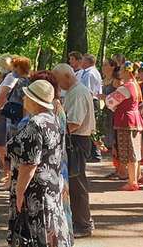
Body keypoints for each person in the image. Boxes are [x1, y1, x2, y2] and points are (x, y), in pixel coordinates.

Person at [6, 79, 72, 247]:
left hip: (35, 190)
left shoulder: (35, 124)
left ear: (34, 100)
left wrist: (19, 193)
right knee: (49, 231)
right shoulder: (54, 120)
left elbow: (29, 164)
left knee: (34, 234)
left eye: (26, 96)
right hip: (52, 185)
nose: (23, 99)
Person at [53, 63, 95, 238]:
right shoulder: (74, 91)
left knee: (77, 185)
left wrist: (55, 133)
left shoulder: (78, 93)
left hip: (76, 142)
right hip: (76, 141)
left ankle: (83, 224)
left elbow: (74, 123)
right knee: (75, 184)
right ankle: (81, 222)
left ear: (67, 77)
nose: (57, 84)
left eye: (58, 80)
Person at [0, 56, 30, 190]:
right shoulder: (28, 80)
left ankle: (11, 181)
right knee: (13, 149)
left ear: (18, 67)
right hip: (19, 118)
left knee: (12, 149)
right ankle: (11, 179)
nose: (12, 68)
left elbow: (4, 97)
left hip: (14, 119)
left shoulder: (18, 80)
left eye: (14, 66)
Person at [105, 61, 143, 191]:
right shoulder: (135, 85)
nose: (119, 72)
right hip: (135, 118)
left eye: (121, 70)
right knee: (135, 150)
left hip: (126, 121)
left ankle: (132, 182)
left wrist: (110, 102)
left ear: (127, 72)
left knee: (130, 152)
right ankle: (136, 178)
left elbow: (110, 101)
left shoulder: (126, 87)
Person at [80, 54, 103, 162]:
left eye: (83, 61)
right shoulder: (92, 72)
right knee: (92, 126)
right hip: (93, 100)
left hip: (91, 101)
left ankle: (95, 153)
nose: (81, 63)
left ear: (88, 62)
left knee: (90, 127)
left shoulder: (89, 74)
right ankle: (94, 152)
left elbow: (87, 90)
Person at [99, 59, 121, 161]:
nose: (103, 67)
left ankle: (118, 164)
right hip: (105, 110)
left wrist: (105, 97)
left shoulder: (116, 81)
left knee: (114, 137)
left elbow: (120, 97)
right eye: (103, 65)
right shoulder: (103, 80)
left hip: (114, 112)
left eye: (105, 65)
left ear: (112, 67)